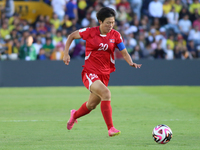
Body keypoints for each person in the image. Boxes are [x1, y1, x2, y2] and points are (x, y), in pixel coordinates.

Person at [63, 7, 142, 137]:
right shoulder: (89, 32)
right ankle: (111, 129)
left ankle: (74, 115)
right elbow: (71, 36)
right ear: (100, 21)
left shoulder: (115, 35)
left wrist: (130, 62)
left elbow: (123, 51)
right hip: (90, 72)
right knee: (106, 93)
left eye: (112, 22)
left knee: (91, 105)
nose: (110, 25)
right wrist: (66, 54)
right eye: (107, 22)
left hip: (105, 74)